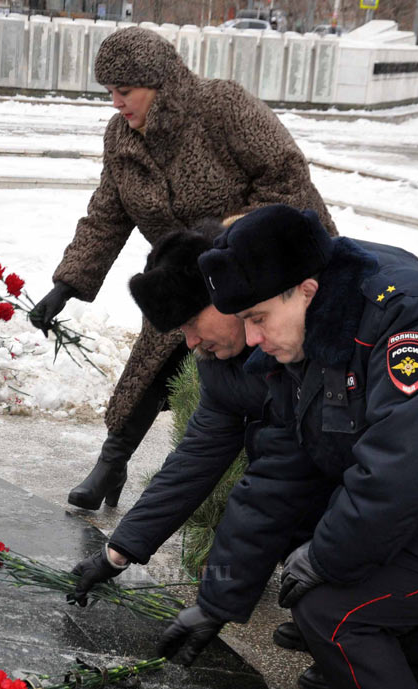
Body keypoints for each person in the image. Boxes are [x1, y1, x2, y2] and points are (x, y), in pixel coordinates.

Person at [161, 202, 418, 689]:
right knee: (366, 600)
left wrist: (324, 556)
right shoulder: (314, 337)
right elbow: (284, 474)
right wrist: (218, 601)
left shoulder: (405, 321)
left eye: (257, 318)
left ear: (305, 290)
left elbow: (403, 469)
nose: (251, 339)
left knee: (335, 607)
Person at [29, 25, 336, 511]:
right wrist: (66, 285)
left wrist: (228, 237)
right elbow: (107, 213)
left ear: (159, 83)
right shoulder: (122, 138)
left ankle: (271, 489)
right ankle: (113, 461)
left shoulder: (221, 106)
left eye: (124, 91)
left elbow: (286, 175)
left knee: (269, 381)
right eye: (110, 92)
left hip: (263, 268)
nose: (115, 103)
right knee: (156, 351)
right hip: (186, 276)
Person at [67, 221, 333, 663]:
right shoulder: (220, 361)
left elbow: (277, 481)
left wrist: (216, 603)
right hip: (327, 475)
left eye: (192, 322)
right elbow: (195, 459)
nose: (192, 344)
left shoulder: (292, 340)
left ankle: (354, 633)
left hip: (383, 480)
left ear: (227, 294)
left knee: (322, 549)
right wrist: (117, 551)